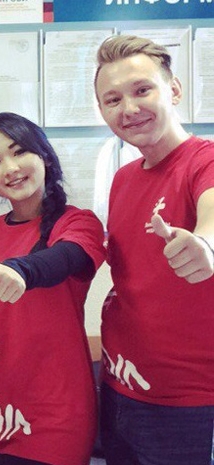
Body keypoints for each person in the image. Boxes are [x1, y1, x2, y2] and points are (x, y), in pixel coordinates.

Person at [93, 35, 214, 464]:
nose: (129, 109)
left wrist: (205, 243)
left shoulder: (203, 160)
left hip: (187, 405)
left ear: (174, 89)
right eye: (112, 100)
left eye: (142, 90)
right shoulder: (123, 179)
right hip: (118, 386)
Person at [0, 112, 105, 465]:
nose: (10, 168)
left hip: (57, 415)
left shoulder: (77, 221)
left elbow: (65, 257)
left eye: (19, 151)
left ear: (45, 157)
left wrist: (20, 271)